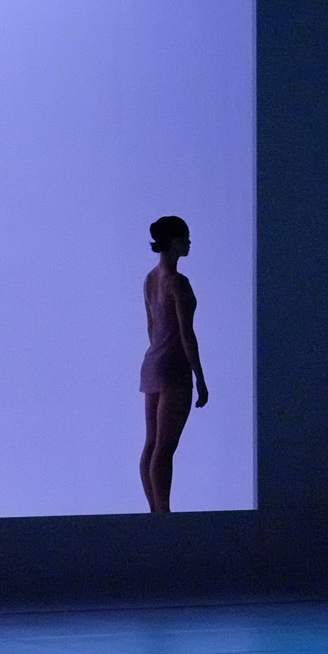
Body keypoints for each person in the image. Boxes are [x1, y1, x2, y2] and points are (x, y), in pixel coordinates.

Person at [139, 216, 209, 514]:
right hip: (174, 366)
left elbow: (151, 327)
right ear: (174, 241)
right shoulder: (177, 283)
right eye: (185, 237)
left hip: (153, 362)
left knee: (152, 443)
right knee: (164, 447)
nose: (189, 242)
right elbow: (186, 333)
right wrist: (200, 378)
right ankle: (163, 513)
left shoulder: (151, 279)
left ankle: (156, 510)